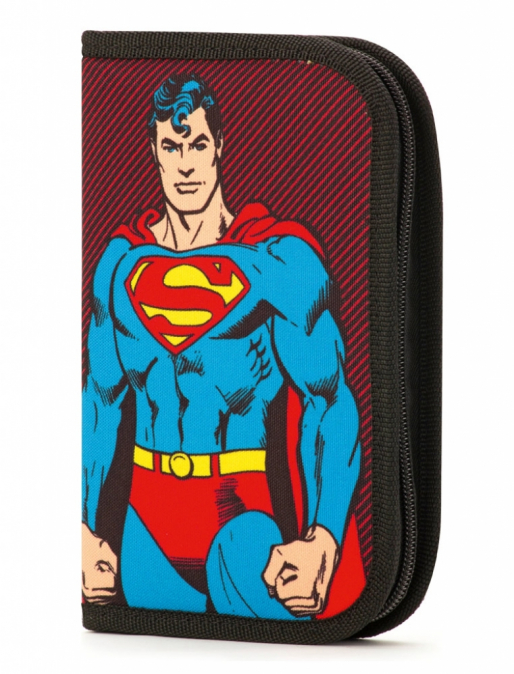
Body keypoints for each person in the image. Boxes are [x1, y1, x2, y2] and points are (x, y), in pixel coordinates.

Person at [82, 74, 362, 619]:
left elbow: (328, 401)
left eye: (197, 145)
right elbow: (99, 401)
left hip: (240, 515)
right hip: (144, 529)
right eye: (171, 147)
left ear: (219, 147)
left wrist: (323, 539)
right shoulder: (117, 266)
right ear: (153, 152)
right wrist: (86, 529)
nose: (185, 165)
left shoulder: (278, 263)